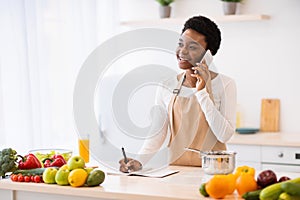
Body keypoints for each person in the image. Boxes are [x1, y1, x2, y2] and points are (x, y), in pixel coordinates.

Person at [119, 15, 237, 173]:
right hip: (176, 171)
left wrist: (202, 92)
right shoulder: (166, 85)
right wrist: (139, 161)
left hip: (213, 172)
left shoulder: (226, 84)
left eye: (193, 47)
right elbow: (157, 133)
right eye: (181, 44)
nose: (182, 51)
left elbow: (224, 135)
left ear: (208, 54)